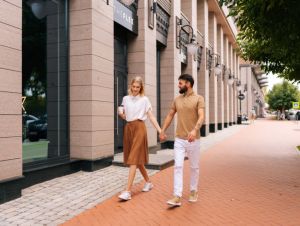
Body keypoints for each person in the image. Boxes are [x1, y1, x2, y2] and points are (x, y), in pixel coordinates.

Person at [159, 74, 205, 207]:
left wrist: (195, 130)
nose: (178, 85)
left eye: (180, 83)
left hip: (193, 140)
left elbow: (201, 116)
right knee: (178, 166)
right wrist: (163, 130)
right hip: (179, 139)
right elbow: (170, 114)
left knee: (194, 167)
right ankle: (177, 195)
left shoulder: (199, 98)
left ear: (188, 84)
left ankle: (193, 190)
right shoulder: (177, 99)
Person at [118, 76, 162, 201]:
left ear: (141, 88)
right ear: (130, 86)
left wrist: (160, 131)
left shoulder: (144, 100)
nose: (135, 89)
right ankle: (148, 182)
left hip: (139, 128)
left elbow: (151, 117)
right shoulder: (125, 99)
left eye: (138, 87)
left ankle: (127, 191)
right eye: (134, 86)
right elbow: (123, 112)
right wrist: (120, 113)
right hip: (129, 128)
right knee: (137, 160)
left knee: (133, 159)